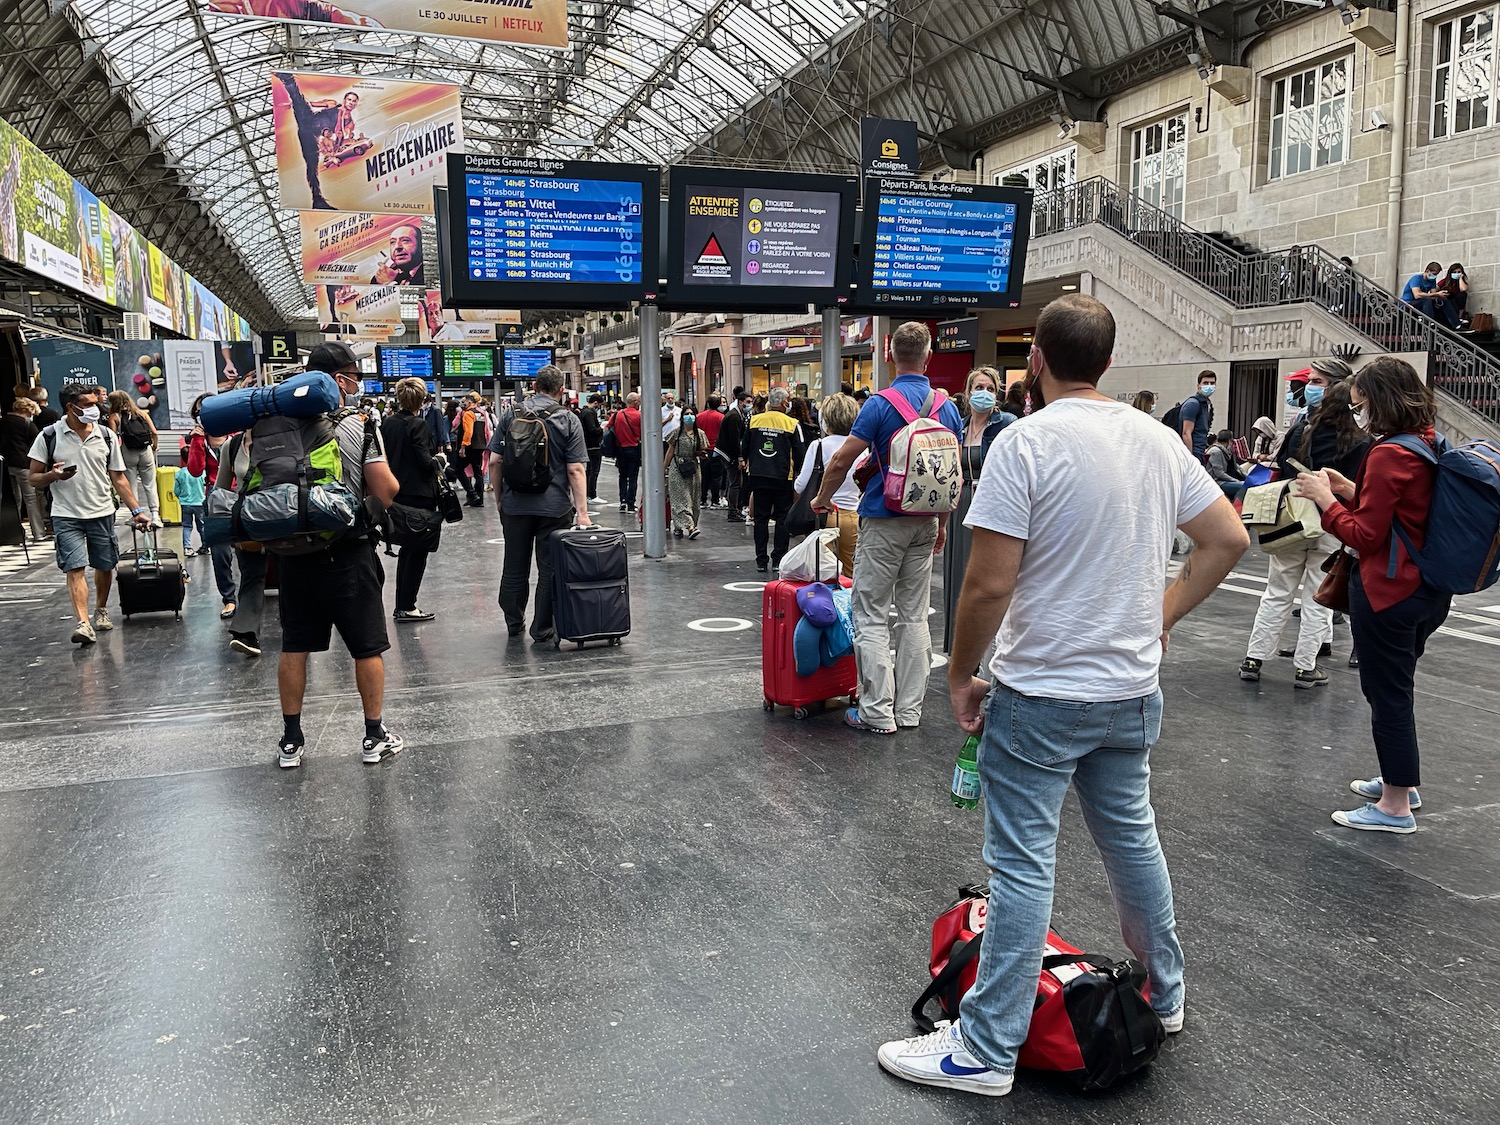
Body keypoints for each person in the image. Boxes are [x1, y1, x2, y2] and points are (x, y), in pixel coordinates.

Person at [875, 295, 1248, 1097]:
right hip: (1129, 690)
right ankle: (1164, 993)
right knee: (1131, 841)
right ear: (1108, 363)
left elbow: (988, 580)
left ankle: (985, 1047)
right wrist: (1163, 615)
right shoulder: (1157, 440)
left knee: (1020, 864)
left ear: (1034, 361)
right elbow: (1227, 539)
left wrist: (959, 672)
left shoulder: (1026, 442)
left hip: (1042, 692)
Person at [1295, 357, 1452, 833]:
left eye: (1360, 404)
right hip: (1427, 590)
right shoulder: (1426, 442)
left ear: (1378, 401)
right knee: (1397, 687)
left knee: (1387, 695)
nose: (1356, 411)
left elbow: (1365, 535)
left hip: (1388, 591)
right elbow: (1402, 510)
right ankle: (1400, 781)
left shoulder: (1386, 453)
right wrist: (1349, 488)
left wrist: (1325, 501)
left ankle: (1394, 806)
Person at [811, 321, 962, 734]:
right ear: (929, 356)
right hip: (926, 521)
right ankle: (910, 711)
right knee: (914, 617)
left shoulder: (879, 404)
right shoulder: (947, 408)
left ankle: (877, 711)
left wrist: (823, 498)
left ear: (890, 355)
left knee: (872, 615)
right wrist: (942, 524)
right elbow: (950, 477)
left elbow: (842, 460)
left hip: (882, 518)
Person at [272, 342, 402, 769]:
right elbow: (385, 489)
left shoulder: (273, 422)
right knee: (367, 647)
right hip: (347, 551)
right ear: (339, 380)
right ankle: (374, 735)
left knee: (295, 647)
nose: (358, 383)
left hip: (292, 553)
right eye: (354, 375)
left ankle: (291, 740)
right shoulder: (356, 424)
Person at [1240, 380, 1370, 689]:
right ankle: (1305, 667)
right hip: (1331, 523)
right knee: (1317, 596)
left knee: (1277, 590)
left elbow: (1284, 472)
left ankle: (1254, 659)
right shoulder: (1362, 442)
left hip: (1293, 520)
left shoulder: (1302, 432)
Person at [26, 383, 152, 645]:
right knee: (74, 567)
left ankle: (101, 609)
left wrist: (137, 510)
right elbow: (34, 479)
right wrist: (53, 475)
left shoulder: (105, 435)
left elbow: (119, 478)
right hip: (65, 513)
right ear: (71, 408)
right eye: (88, 405)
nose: (95, 409)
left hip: (102, 510)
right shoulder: (49, 436)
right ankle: (83, 623)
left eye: (96, 404)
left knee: (105, 565)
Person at [489, 365, 591, 642]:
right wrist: (582, 514)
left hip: (515, 506)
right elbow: (575, 470)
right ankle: (542, 627)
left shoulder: (511, 414)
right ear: (561, 391)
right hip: (555, 507)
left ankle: (513, 621)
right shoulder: (568, 419)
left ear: (534, 386)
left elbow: (495, 461)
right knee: (550, 569)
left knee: (514, 565)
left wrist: (500, 499)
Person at [944, 368, 1013, 654]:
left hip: (990, 504)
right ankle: (961, 648)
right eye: (978, 387)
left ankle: (988, 648)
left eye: (990, 388)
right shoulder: (958, 426)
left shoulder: (1006, 424)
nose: (983, 393)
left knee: (986, 576)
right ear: (968, 391)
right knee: (959, 573)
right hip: (960, 503)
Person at [382, 377, 442, 623]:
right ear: (422, 398)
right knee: (417, 553)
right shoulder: (418, 424)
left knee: (407, 550)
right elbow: (424, 460)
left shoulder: (388, 424)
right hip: (419, 495)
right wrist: (438, 461)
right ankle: (407, 606)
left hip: (396, 493)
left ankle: (403, 604)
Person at [795, 393, 861, 578]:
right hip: (854, 516)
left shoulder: (818, 446)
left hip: (824, 516)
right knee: (850, 573)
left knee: (823, 573)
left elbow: (800, 486)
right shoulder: (861, 448)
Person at [745, 387, 806, 573]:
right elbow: (800, 453)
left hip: (758, 475)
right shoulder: (792, 424)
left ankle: (761, 560)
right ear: (784, 403)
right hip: (782, 477)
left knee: (760, 519)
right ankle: (778, 559)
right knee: (782, 518)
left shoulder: (753, 420)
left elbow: (744, 446)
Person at [105, 390, 162, 528]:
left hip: (128, 452)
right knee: (150, 484)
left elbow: (113, 438)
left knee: (131, 485)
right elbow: (154, 432)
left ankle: (136, 515)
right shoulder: (142, 413)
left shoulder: (114, 417)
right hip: (145, 451)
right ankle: (155, 515)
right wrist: (154, 447)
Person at [2, 395, 43, 540]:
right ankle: (38, 533)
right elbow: (38, 443)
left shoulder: (3, 422)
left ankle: (15, 534)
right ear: (28, 411)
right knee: (30, 499)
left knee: (14, 500)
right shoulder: (27, 424)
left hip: (6, 464)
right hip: (23, 464)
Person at [666, 410, 707, 540]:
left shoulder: (699, 434)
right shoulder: (676, 433)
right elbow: (670, 452)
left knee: (693, 497)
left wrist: (702, 454)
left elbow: (702, 450)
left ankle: (682, 525)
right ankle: (690, 527)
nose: (689, 416)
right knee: (680, 498)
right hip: (677, 467)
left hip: (693, 468)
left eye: (691, 414)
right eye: (686, 414)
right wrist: (663, 469)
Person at [717, 390, 751, 522]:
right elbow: (734, 439)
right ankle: (732, 511)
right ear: (740, 401)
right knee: (735, 483)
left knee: (736, 482)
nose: (749, 405)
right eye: (747, 402)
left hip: (727, 452)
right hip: (728, 454)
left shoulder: (737, 415)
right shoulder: (735, 417)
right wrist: (739, 458)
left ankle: (734, 509)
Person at [609, 392, 643, 513]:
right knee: (633, 477)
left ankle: (622, 501)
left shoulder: (617, 414)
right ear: (635, 402)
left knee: (622, 476)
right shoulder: (639, 415)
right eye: (638, 401)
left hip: (620, 449)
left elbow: (608, 427)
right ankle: (630, 503)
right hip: (633, 448)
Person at [456, 394, 489, 507]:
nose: (462, 404)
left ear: (470, 402)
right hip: (480, 445)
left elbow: (468, 431)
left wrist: (463, 446)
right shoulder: (480, 413)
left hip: (470, 446)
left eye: (464, 402)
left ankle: (472, 493)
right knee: (478, 473)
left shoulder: (468, 414)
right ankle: (479, 499)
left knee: (458, 468)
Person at [1179, 370, 1216, 462]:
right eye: (1205, 383)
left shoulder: (1206, 404)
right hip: (1194, 452)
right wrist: (1190, 458)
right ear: (1198, 385)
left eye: (1212, 383)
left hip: (1200, 450)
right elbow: (1186, 433)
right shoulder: (1193, 404)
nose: (1209, 386)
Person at [696, 393, 725, 508]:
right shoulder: (721, 418)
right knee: (716, 476)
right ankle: (715, 500)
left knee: (704, 475)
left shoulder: (699, 417)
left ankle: (702, 500)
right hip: (716, 450)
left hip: (703, 450)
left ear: (708, 403)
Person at [174, 459, 206, 560]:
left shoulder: (180, 473)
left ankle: (188, 548)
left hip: (185, 503)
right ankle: (206, 546)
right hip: (200, 502)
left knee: (187, 526)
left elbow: (176, 490)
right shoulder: (202, 472)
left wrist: (181, 497)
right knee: (202, 525)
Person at [579, 393, 605, 503]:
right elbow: (593, 430)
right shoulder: (589, 413)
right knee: (594, 471)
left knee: (588, 471)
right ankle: (591, 495)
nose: (599, 408)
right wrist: (602, 429)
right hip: (593, 446)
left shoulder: (583, 412)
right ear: (595, 403)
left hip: (586, 445)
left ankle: (587, 494)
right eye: (599, 405)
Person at [1204, 430, 1244, 499]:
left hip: (1224, 480)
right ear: (1229, 441)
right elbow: (1219, 473)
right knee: (1243, 486)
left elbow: (1236, 466)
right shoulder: (1216, 451)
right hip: (1217, 482)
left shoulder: (1226, 452)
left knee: (1246, 484)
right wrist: (1235, 480)